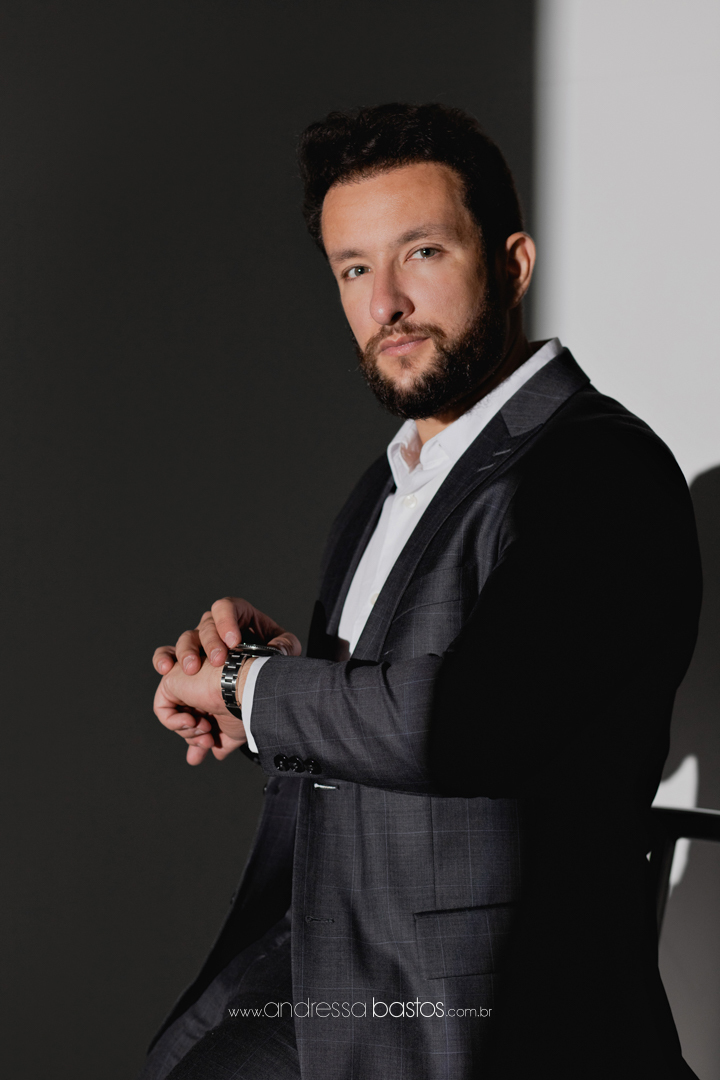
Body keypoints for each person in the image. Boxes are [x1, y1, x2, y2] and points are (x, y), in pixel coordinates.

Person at [139, 103, 702, 1079]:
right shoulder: (390, 482)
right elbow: (404, 712)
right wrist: (276, 684)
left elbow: (464, 721)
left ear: (514, 265)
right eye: (354, 270)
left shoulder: (596, 470)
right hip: (329, 972)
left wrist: (249, 687)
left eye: (423, 253)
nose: (386, 303)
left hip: (481, 1014)